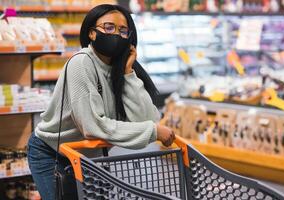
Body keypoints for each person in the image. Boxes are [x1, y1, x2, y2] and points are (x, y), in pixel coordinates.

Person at [27, 4, 175, 200]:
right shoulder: (81, 63)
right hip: (52, 153)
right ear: (92, 33)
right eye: (108, 27)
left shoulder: (118, 69)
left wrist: (128, 73)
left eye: (123, 30)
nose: (116, 34)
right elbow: (92, 126)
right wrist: (154, 132)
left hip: (90, 156)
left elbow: (147, 119)